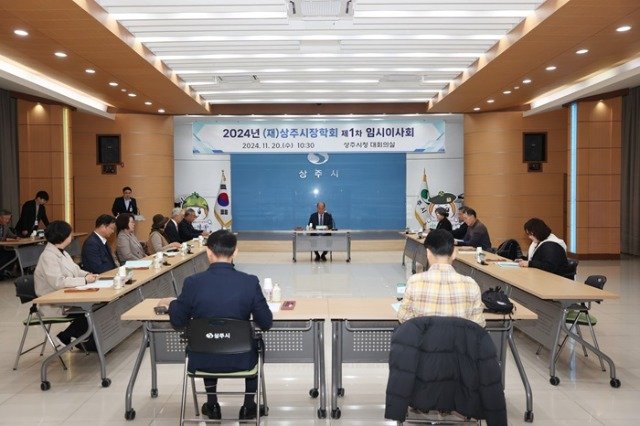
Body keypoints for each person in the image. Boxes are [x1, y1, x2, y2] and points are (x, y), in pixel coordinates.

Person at [157, 230, 272, 421]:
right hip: (242, 358)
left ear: (208, 252)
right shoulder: (249, 282)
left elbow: (178, 321)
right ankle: (248, 405)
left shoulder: (192, 283)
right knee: (256, 343)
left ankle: (212, 404)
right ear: (235, 252)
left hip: (202, 358)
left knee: (208, 340)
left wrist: (172, 304)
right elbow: (266, 322)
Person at [398, 229, 485, 327]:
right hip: (458, 337)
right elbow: (479, 324)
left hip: (426, 337)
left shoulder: (415, 282)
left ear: (428, 253)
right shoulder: (471, 285)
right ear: (454, 254)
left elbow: (403, 317)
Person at [34, 221, 99, 347]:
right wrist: (85, 280)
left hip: (67, 296)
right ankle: (66, 336)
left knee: (98, 305)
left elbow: (76, 270)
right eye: (70, 233)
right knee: (91, 308)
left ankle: (76, 336)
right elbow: (58, 282)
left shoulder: (63, 252)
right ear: (62, 236)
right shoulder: (48, 256)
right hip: (53, 302)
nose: (72, 235)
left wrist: (88, 275)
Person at [0, 209, 19, 277]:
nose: (7, 221)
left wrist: (16, 237)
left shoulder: (5, 226)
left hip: (2, 247)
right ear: (0, 217)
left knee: (14, 253)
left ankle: (5, 271)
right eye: (6, 219)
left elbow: (10, 235)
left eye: (9, 219)